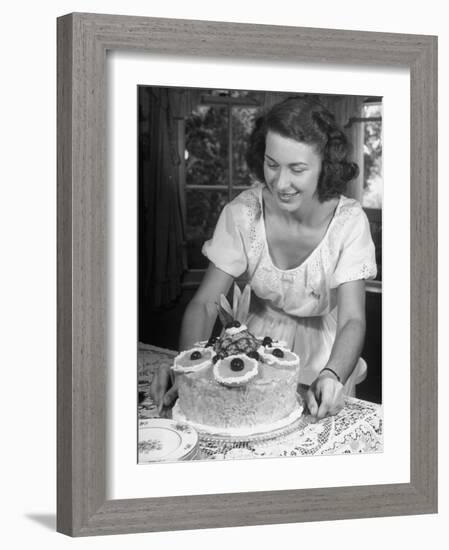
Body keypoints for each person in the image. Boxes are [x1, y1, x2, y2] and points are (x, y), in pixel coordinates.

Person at [150, 95, 377, 421]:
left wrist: (333, 375)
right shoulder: (243, 212)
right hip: (255, 345)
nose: (280, 183)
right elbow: (204, 304)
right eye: (272, 165)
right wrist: (186, 365)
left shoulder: (350, 221)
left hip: (328, 353)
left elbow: (353, 319)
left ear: (326, 166)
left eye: (297, 169)